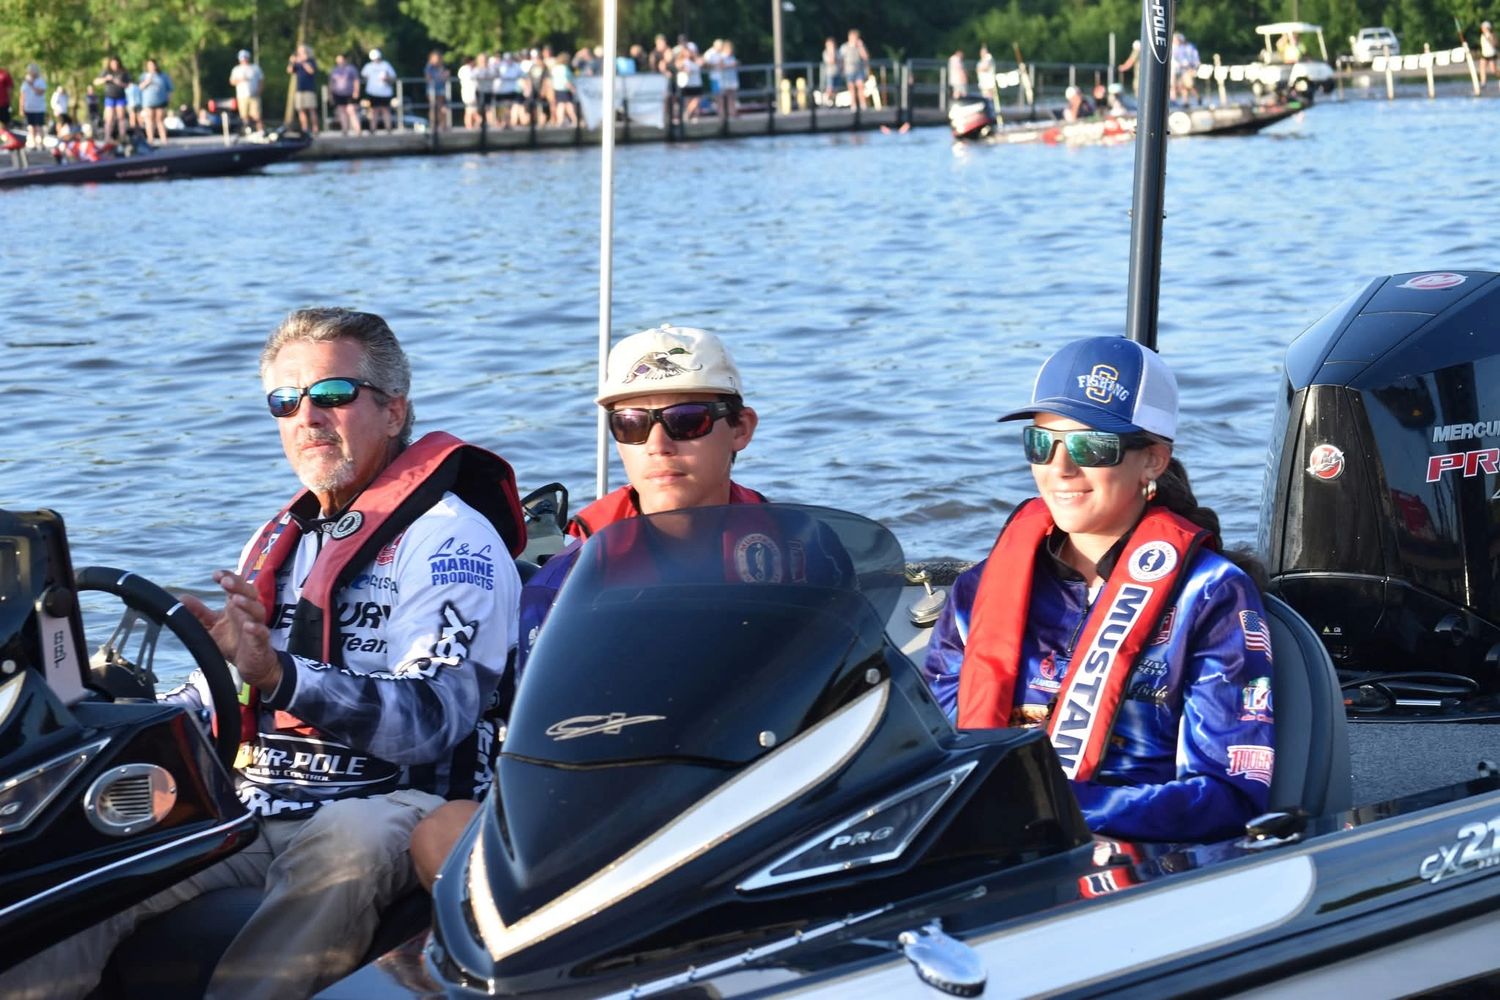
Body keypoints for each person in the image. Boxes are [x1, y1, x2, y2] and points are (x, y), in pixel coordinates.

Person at [2, 308, 527, 1000]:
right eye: (287, 401)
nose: (307, 417)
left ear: (394, 410)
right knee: (86, 848)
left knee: (348, 836)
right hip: (257, 803)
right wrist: (107, 716)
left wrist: (279, 677)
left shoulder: (455, 543)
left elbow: (434, 718)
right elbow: (223, 697)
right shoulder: (278, 537)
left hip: (401, 803)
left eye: (332, 395)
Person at [408, 325, 763, 889]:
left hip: (752, 785)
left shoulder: (799, 552)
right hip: (605, 795)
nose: (657, 445)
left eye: (687, 421)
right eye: (630, 423)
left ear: (739, 428)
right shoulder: (567, 576)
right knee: (442, 831)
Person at [921, 336, 1274, 844]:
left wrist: (1049, 808)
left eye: (1091, 447)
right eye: (1042, 444)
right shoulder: (978, 591)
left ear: (1153, 459)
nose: (1060, 469)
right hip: (989, 845)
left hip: (1144, 861)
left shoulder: (1212, 595)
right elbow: (936, 754)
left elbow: (1228, 796)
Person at [94, 56, 130, 142]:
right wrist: (106, 78)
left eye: (116, 63)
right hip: (109, 97)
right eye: (113, 63)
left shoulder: (123, 72)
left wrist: (119, 83)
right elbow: (96, 82)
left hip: (120, 97)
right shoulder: (106, 72)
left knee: (121, 117)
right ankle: (107, 138)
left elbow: (128, 85)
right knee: (109, 118)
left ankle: (122, 137)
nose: (114, 65)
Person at [137, 57, 172, 144]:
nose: (151, 66)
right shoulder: (144, 75)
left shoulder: (163, 76)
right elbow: (140, 87)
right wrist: (147, 81)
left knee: (159, 119)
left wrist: (168, 99)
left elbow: (169, 89)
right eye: (149, 65)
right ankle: (150, 139)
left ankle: (164, 139)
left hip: (160, 101)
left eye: (152, 65)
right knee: (149, 120)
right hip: (148, 102)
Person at [361, 48, 397, 132]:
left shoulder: (386, 65)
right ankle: (373, 129)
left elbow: (393, 76)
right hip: (373, 92)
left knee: (385, 110)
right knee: (374, 110)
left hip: (385, 92)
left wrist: (387, 78)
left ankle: (388, 128)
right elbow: (364, 75)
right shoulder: (368, 66)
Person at [229, 49, 264, 133]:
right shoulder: (236, 69)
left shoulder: (255, 68)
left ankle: (261, 131)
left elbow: (261, 81)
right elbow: (232, 82)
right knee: (244, 116)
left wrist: (259, 91)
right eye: (242, 58)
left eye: (245, 57)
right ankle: (247, 131)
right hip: (242, 96)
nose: (244, 59)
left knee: (256, 115)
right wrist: (240, 80)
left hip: (254, 95)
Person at [287, 44, 319, 135]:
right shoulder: (296, 62)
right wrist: (292, 62)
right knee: (301, 110)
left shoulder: (311, 60)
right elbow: (289, 71)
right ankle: (305, 129)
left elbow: (311, 71)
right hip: (299, 89)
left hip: (309, 89)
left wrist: (303, 62)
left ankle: (315, 128)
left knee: (311, 109)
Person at [329, 52, 360, 134]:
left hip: (349, 93)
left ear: (345, 60)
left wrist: (356, 91)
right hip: (338, 94)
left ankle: (357, 129)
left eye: (341, 59)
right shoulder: (334, 70)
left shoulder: (351, 69)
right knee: (341, 112)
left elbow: (356, 81)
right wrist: (330, 94)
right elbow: (331, 83)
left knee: (351, 111)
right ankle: (344, 130)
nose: (340, 61)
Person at [839, 28, 870, 110]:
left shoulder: (860, 46)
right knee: (851, 88)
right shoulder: (844, 47)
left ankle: (863, 105)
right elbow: (841, 59)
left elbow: (865, 57)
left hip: (859, 69)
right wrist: (842, 69)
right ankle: (854, 105)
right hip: (849, 70)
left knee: (860, 86)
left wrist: (860, 46)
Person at [18, 63, 46, 148]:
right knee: (31, 126)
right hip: (29, 108)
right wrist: (21, 108)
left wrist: (32, 85)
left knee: (40, 126)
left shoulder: (40, 81)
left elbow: (41, 92)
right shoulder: (25, 82)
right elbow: (22, 95)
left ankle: (41, 143)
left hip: (39, 108)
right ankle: (33, 143)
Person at [423, 49, 449, 130]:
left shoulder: (441, 67)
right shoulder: (429, 67)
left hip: (440, 89)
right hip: (432, 90)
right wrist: (440, 76)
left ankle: (442, 125)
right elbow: (428, 78)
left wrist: (441, 76)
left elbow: (445, 77)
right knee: (433, 107)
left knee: (441, 107)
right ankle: (433, 125)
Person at [821, 36, 840, 105]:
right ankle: (826, 103)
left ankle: (833, 103)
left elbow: (840, 61)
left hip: (837, 72)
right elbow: (832, 61)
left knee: (836, 89)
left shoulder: (838, 52)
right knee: (830, 88)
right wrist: (832, 52)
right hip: (830, 73)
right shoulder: (825, 53)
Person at [1480, 22, 1498, 87]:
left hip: (1491, 54)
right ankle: (1483, 82)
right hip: (1484, 54)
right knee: (1482, 68)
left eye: (1483, 27)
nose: (1481, 28)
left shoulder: (1491, 34)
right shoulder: (1482, 35)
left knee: (1493, 70)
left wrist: (1489, 38)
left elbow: (1495, 44)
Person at [0, 63, 12, 128]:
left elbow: (9, 89)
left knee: (5, 123)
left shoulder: (4, 74)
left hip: (3, 103)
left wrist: (9, 101)